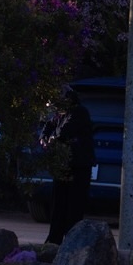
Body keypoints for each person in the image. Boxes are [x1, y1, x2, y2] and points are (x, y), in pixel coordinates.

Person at [42, 87, 97, 244]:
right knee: (58, 206)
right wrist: (45, 136)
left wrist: (51, 139)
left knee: (74, 207)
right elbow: (48, 126)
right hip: (63, 166)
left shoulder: (79, 112)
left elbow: (64, 132)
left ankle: (70, 241)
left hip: (78, 167)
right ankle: (54, 240)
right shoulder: (60, 115)